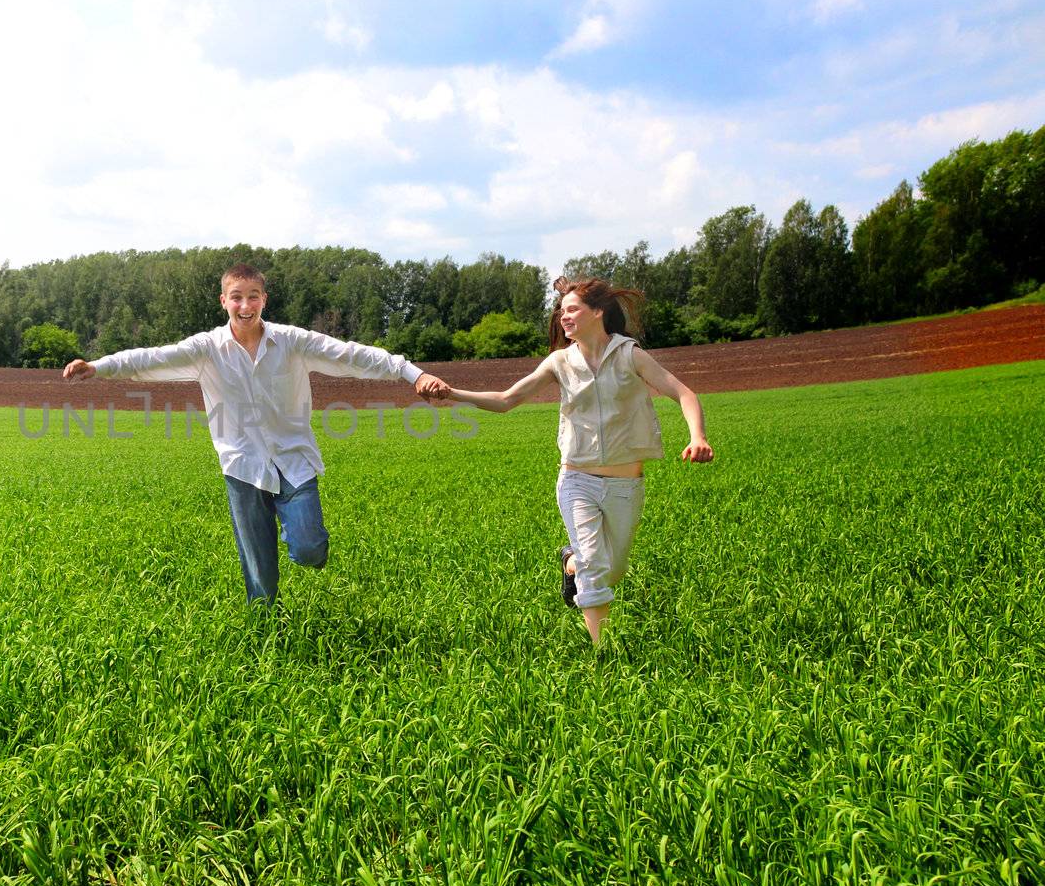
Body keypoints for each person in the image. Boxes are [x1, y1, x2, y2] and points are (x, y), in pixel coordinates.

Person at [63, 263, 447, 608]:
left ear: (264, 299)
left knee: (311, 549)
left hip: (293, 459)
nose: (245, 306)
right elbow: (151, 358)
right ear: (223, 301)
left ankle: (294, 537)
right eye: (236, 298)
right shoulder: (206, 349)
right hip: (242, 465)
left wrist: (414, 373)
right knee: (258, 568)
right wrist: (98, 366)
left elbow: (353, 354)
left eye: (252, 297)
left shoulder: (293, 341)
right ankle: (264, 631)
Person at [440, 275, 713, 644]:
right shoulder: (559, 363)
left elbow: (684, 393)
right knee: (595, 568)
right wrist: (451, 393)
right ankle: (603, 654)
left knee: (613, 571)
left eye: (572, 310)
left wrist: (697, 436)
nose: (563, 317)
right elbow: (506, 400)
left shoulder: (630, 355)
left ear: (597, 312)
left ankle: (570, 562)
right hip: (577, 480)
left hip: (625, 483)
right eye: (561, 311)